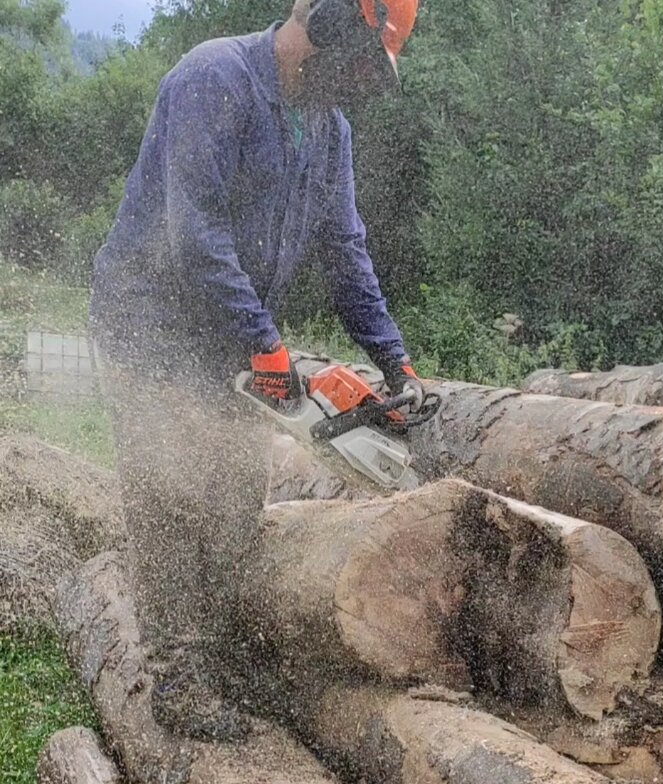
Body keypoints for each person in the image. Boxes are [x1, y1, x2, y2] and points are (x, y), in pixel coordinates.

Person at [90, 0, 423, 741]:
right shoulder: (216, 79)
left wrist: (392, 356)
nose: (361, 81)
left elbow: (345, 247)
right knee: (173, 493)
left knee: (236, 492)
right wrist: (263, 342)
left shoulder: (327, 128)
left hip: (229, 340)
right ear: (331, 22)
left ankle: (222, 660)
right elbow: (193, 231)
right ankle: (177, 679)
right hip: (151, 326)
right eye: (363, 58)